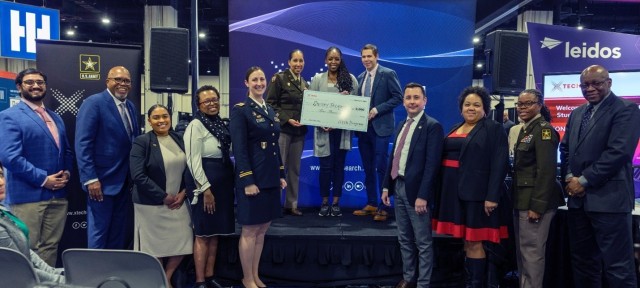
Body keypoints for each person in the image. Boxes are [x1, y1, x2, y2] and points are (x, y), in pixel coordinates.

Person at [560, 65, 640, 288]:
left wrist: (583, 180)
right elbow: (566, 149)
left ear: (609, 83)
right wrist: (569, 176)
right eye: (585, 85)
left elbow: (619, 152)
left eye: (596, 83)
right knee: (583, 264)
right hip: (578, 204)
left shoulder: (626, 109)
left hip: (610, 202)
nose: (590, 88)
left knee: (618, 267)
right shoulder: (577, 113)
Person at [432, 86, 509, 288]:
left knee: (475, 241)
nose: (471, 108)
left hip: (478, 195)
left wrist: (492, 196)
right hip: (453, 194)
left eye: (476, 105)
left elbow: (500, 164)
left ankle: (475, 285)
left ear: (485, 109)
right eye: (467, 104)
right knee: (466, 241)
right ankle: (468, 282)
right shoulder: (455, 127)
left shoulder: (493, 129)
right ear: (461, 108)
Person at [0, 68, 73, 266]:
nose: (35, 86)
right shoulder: (9, 116)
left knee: (50, 247)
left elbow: (66, 151)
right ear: (19, 87)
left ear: (45, 86)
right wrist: (44, 179)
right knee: (26, 249)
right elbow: (10, 157)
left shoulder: (55, 117)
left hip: (57, 196)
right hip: (27, 198)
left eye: (40, 82)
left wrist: (66, 173)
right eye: (29, 82)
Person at [381, 83, 443, 288]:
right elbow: (393, 158)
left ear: (424, 101)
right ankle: (408, 279)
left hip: (417, 193)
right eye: (408, 98)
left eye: (416, 97)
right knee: (404, 239)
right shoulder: (401, 124)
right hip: (398, 188)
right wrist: (386, 187)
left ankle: (423, 284)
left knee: (423, 243)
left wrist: (423, 195)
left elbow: (432, 165)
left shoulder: (432, 126)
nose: (412, 101)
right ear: (403, 101)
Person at [230, 67, 287, 288]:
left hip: (270, 178)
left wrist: (281, 173)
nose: (259, 83)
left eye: (262, 79)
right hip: (253, 180)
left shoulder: (270, 110)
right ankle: (246, 278)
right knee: (250, 229)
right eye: (254, 79)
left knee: (262, 229)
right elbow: (240, 149)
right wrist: (248, 180)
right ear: (246, 83)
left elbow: (275, 146)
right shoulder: (241, 110)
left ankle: (255, 275)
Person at [75, 66, 140, 249]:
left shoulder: (131, 106)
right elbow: (83, 143)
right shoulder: (94, 103)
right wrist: (90, 178)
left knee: (118, 232)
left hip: (125, 181)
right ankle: (95, 273)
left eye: (126, 80)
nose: (122, 84)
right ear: (108, 82)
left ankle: (113, 271)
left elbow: (132, 142)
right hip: (101, 182)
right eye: (117, 80)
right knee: (99, 232)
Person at [129, 104, 193, 287]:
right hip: (151, 204)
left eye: (164, 116)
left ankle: (165, 277)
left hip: (178, 202)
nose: (161, 120)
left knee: (184, 241)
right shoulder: (142, 141)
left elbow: (190, 169)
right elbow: (138, 175)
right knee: (154, 247)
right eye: (156, 117)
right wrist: (163, 196)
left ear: (170, 118)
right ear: (149, 121)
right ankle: (161, 282)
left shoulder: (179, 138)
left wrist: (183, 193)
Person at [512, 89, 564, 288]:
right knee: (523, 253)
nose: (522, 107)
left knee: (532, 253)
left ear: (539, 105)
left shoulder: (543, 130)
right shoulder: (527, 129)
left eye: (528, 103)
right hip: (522, 199)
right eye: (520, 104)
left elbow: (547, 171)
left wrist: (538, 206)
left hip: (534, 203)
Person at [184, 85, 235, 288]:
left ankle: (210, 275)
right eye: (207, 101)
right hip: (204, 183)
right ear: (199, 105)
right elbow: (193, 161)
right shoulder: (195, 125)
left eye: (215, 99)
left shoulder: (220, 124)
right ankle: (199, 281)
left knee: (215, 233)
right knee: (203, 233)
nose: (212, 103)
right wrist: (205, 189)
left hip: (223, 181)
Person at [353, 44, 403, 222]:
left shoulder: (388, 73)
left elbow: (398, 97)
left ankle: (384, 206)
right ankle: (372, 203)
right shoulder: (360, 77)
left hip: (381, 129)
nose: (366, 59)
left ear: (377, 57)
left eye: (369, 56)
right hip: (363, 130)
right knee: (368, 168)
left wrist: (377, 109)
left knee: (381, 167)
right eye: (364, 57)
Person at [309, 46, 358, 217]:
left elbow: (356, 107)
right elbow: (311, 105)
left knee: (338, 168)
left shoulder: (350, 80)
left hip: (341, 132)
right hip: (323, 132)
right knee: (325, 168)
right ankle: (324, 202)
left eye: (336, 59)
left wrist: (347, 102)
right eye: (330, 58)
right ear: (325, 60)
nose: (333, 62)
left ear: (341, 60)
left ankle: (336, 203)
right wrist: (320, 122)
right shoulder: (317, 80)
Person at [0, 162, 66, 284]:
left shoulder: (3, 211)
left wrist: (58, 273)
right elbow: (18, 269)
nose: (1, 182)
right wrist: (64, 282)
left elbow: (26, 253)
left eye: (0, 175)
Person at [266, 49, 306, 216]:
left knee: (295, 169)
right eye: (295, 61)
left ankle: (291, 204)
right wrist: (287, 119)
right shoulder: (279, 78)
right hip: (283, 130)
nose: (298, 64)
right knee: (278, 168)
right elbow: (270, 104)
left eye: (301, 61)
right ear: (289, 62)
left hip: (299, 132)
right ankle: (274, 205)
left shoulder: (305, 83)